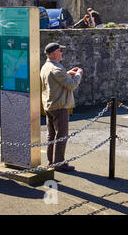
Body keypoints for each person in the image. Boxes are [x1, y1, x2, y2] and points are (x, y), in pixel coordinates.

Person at [40, 42, 83, 172]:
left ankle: (51, 161)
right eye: (60, 50)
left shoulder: (46, 66)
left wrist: (68, 72)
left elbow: (57, 79)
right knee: (61, 135)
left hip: (49, 105)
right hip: (60, 106)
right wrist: (78, 74)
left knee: (51, 135)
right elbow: (71, 85)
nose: (61, 52)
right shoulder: (57, 69)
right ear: (53, 53)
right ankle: (59, 163)